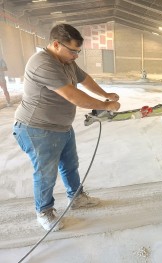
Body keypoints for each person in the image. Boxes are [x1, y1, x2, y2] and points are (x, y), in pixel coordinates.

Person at [13, 24, 120, 231]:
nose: (76, 56)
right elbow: (73, 95)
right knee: (46, 173)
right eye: (73, 51)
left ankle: (76, 198)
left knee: (70, 164)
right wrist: (106, 106)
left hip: (61, 127)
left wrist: (104, 94)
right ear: (55, 44)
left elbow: (84, 79)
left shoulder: (67, 60)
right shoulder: (43, 63)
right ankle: (44, 211)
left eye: (78, 51)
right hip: (37, 129)